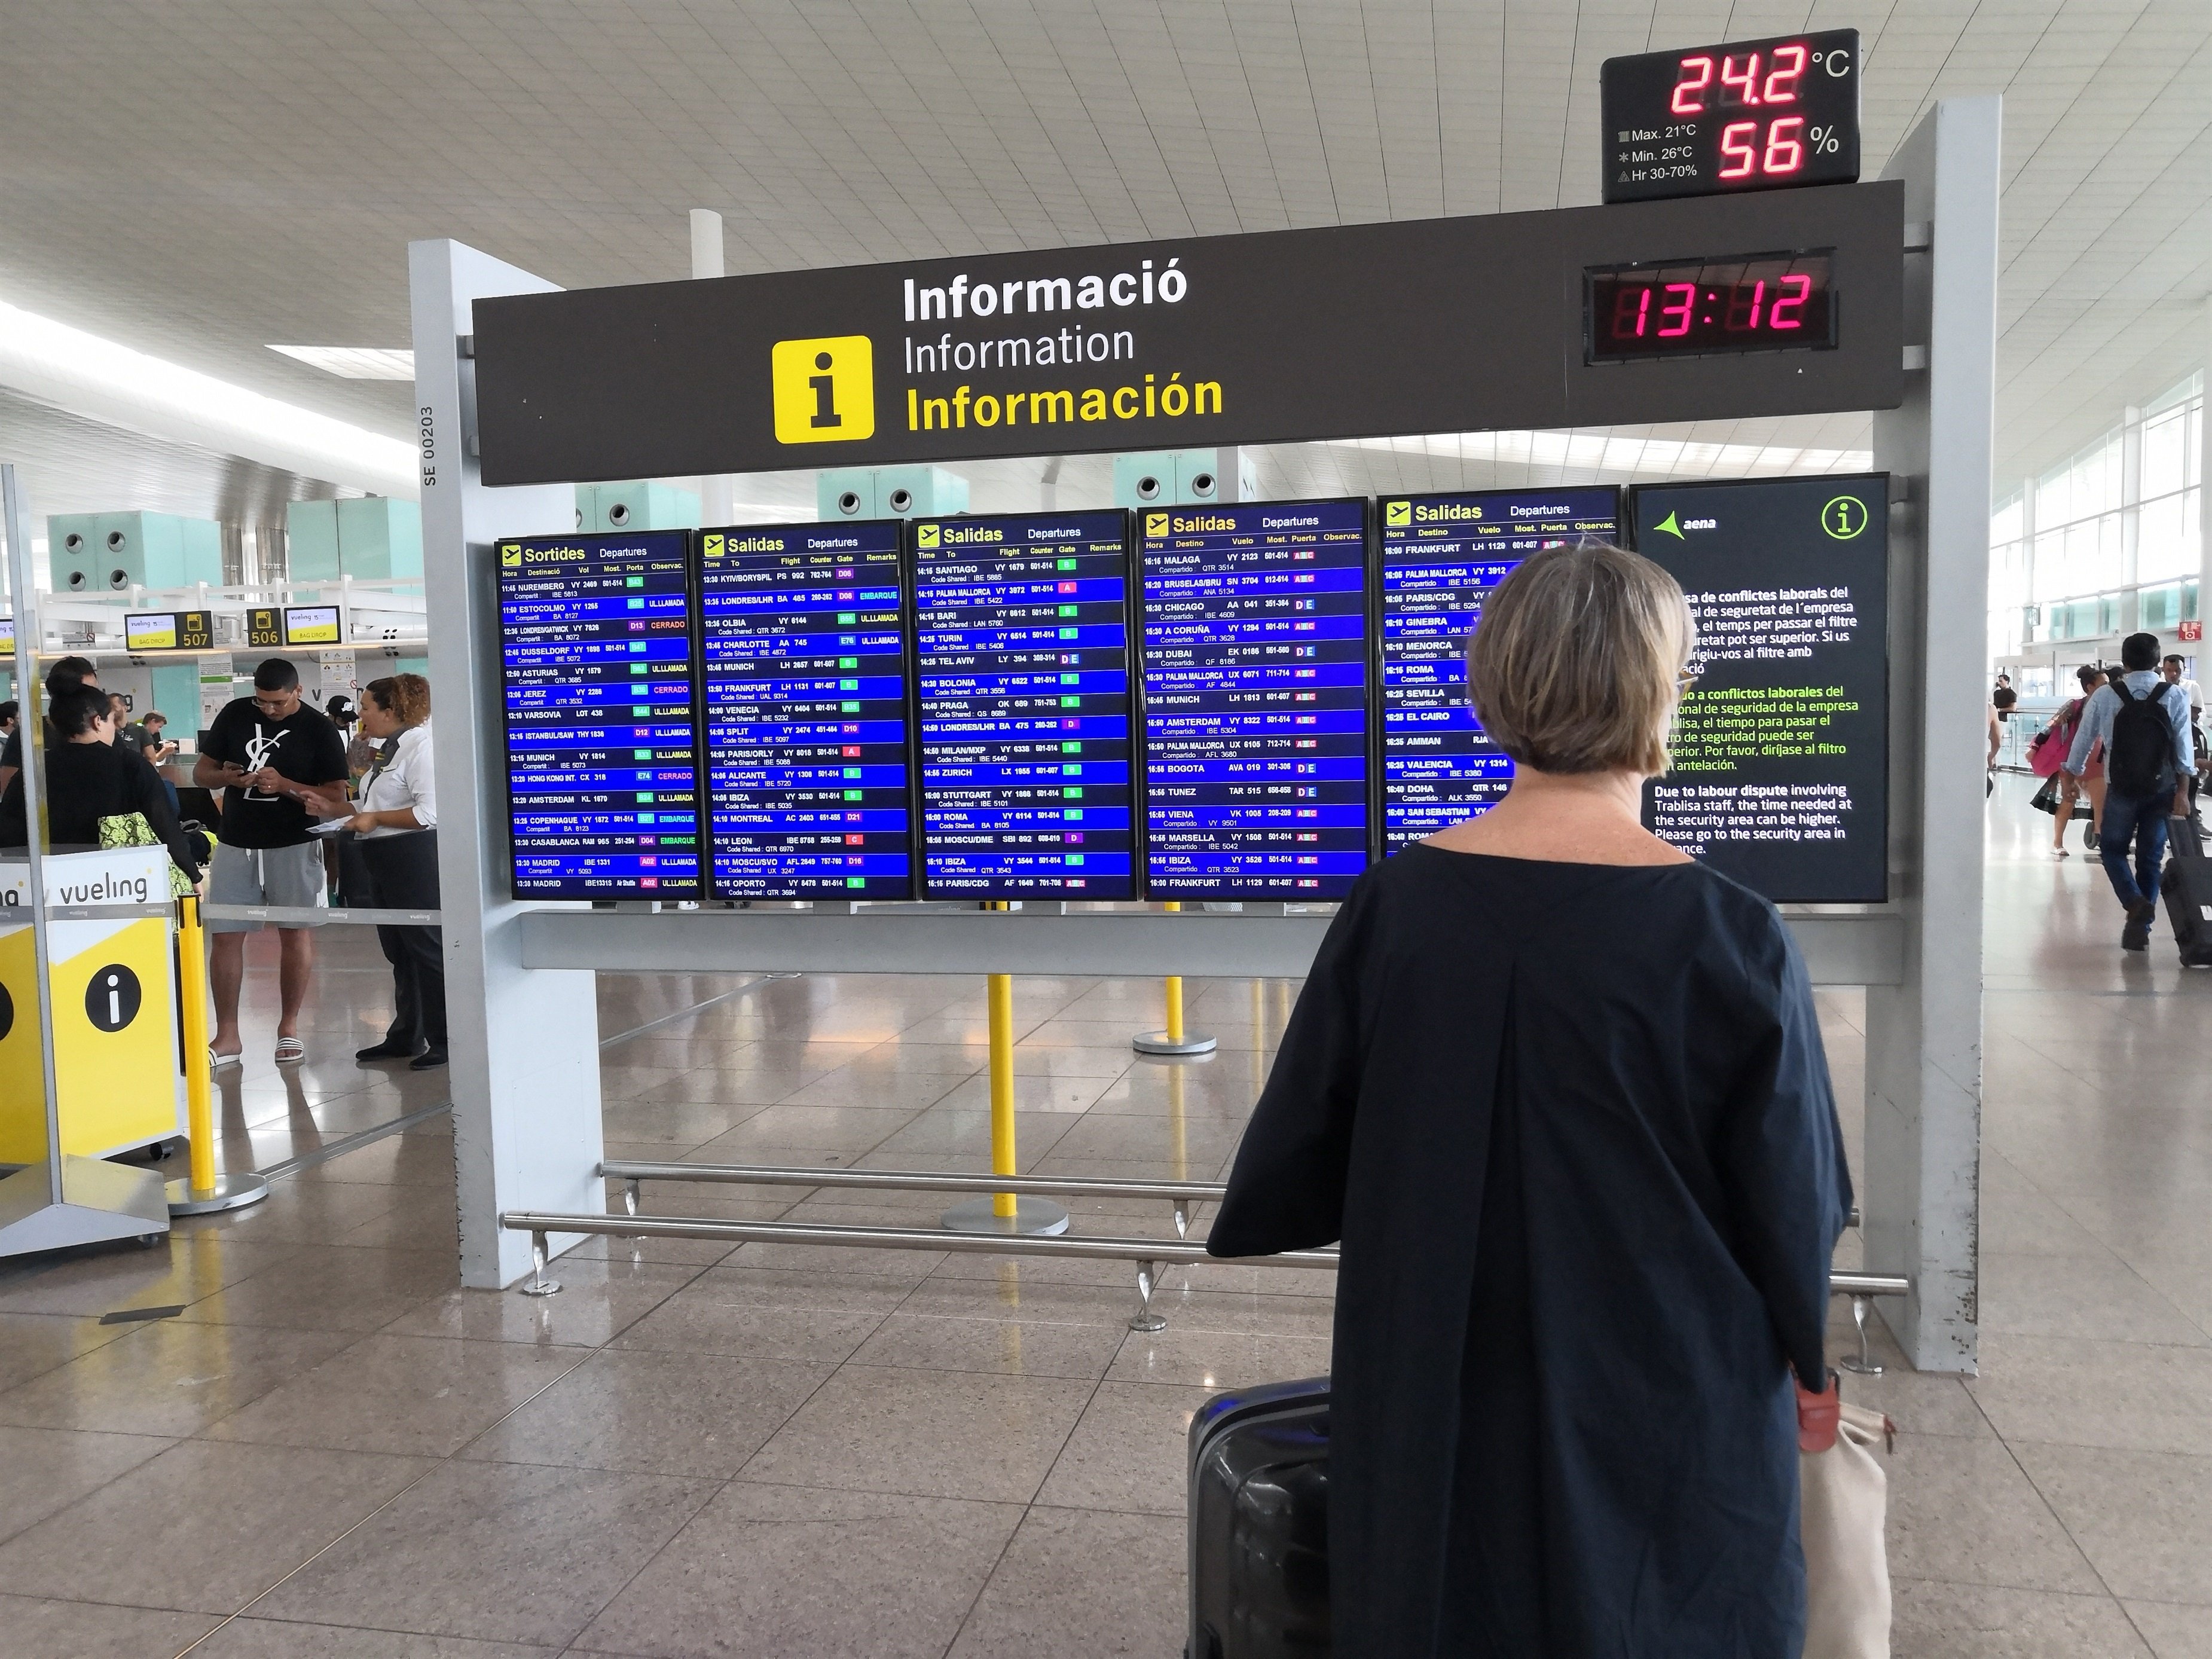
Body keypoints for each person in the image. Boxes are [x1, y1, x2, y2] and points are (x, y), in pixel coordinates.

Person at [1209, 541, 1850, 1657]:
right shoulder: (1730, 932)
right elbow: (1789, 1191)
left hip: (1434, 1368)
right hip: (1669, 1368)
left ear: (1494, 683)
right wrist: (1812, 1359)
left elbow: (1304, 1145)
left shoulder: (1396, 907)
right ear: (1663, 691)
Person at [195, 658, 348, 1065]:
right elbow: (201, 773)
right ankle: (227, 1034)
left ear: (297, 691)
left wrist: (285, 786)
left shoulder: (320, 729)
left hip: (294, 842)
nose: (268, 710)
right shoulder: (234, 713)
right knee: (226, 935)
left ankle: (289, 1027)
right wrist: (228, 778)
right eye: (262, 701)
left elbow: (335, 798)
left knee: (295, 932)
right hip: (235, 842)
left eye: (277, 702)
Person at [338, 675, 446, 1070]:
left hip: (412, 859)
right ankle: (406, 1034)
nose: (361, 713)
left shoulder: (422, 747)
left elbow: (429, 812)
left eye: (366, 706)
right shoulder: (390, 749)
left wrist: (376, 818)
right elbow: (372, 804)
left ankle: (445, 1038)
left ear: (391, 710)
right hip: (383, 858)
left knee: (427, 949)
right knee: (400, 951)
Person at [2066, 631, 2194, 950]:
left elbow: (2083, 740)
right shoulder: (2175, 695)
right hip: (2162, 787)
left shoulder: (2107, 695)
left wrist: (2071, 775)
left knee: (2112, 851)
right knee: (2150, 858)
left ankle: (2134, 903)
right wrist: (2182, 793)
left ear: (2123, 661)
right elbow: (2184, 751)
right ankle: (2142, 928)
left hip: (2121, 788)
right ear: (2158, 661)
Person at [0, 685, 201, 883]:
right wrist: (192, 873)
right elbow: (163, 822)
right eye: (112, 721)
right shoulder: (130, 764)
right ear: (97, 722)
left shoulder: (35, 770)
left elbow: (9, 829)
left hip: (53, 880)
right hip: (121, 881)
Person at [0, 655, 97, 796]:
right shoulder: (27, 736)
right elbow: (7, 786)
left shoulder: (99, 733)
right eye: (87, 693)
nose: (95, 700)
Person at [2042, 666, 2106, 858]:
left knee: (2101, 802)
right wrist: (2035, 747)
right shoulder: (2074, 706)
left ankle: (2100, 837)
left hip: (2097, 760)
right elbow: (2050, 726)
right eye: (2104, 684)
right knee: (2068, 800)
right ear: (2089, 687)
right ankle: (2057, 842)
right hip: (2071, 759)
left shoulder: (2108, 704)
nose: (2108, 688)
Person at [2162, 655, 2205, 829]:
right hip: (2164, 739)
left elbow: (2198, 711)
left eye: (2177, 671)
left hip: (2187, 736)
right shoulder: (2158, 687)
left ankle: (2192, 818)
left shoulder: (2191, 687)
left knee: (2190, 777)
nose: (2173, 674)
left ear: (2184, 670)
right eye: (2169, 670)